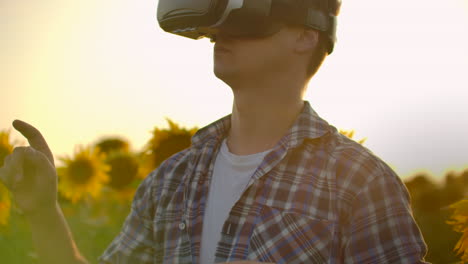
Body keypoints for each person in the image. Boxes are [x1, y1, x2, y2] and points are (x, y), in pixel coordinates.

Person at [0, 0, 429, 263]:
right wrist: (43, 211)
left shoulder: (359, 182)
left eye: (248, 16)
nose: (221, 32)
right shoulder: (171, 180)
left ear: (305, 35)